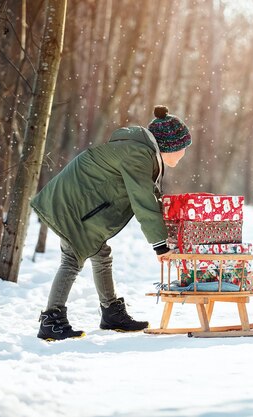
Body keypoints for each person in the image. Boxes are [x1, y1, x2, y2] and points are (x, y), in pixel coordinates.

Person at [32, 105, 191, 341]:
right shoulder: (138, 155)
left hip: (76, 203)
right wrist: (160, 244)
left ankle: (110, 313)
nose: (184, 153)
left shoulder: (139, 152)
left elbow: (149, 194)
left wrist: (166, 232)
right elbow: (142, 199)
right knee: (72, 258)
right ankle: (51, 319)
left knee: (100, 254)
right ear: (170, 146)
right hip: (70, 204)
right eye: (183, 148)